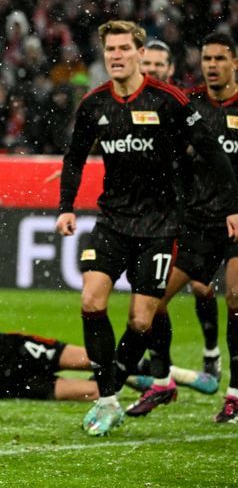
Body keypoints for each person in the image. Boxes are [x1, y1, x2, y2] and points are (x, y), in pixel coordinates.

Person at [56, 20, 238, 436]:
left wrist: (232, 206)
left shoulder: (169, 101)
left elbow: (212, 152)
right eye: (110, 50)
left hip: (160, 227)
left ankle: (123, 381)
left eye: (124, 49)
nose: (116, 56)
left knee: (142, 320)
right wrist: (66, 207)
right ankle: (107, 398)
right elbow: (74, 158)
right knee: (90, 301)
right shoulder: (94, 105)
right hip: (113, 222)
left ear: (140, 53)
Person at [131, 33, 238, 422]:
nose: (212, 65)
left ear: (234, 63)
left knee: (236, 297)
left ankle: (235, 393)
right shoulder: (189, 105)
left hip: (236, 222)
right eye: (207, 58)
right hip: (197, 223)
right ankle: (163, 381)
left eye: (220, 59)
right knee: (154, 302)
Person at [138, 38, 222, 382]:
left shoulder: (185, 106)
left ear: (170, 69)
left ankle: (211, 350)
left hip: (201, 214)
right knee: (154, 294)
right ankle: (162, 362)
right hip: (162, 215)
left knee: (203, 290)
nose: (153, 70)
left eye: (159, 65)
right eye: (148, 65)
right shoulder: (135, 108)